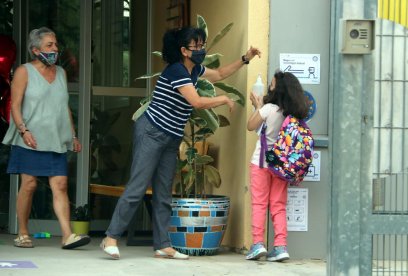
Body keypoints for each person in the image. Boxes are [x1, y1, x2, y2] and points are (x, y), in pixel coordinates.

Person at [100, 27, 261, 260]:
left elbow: (220, 74)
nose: (202, 49)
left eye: (202, 44)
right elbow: (196, 101)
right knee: (137, 186)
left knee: (164, 191)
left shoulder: (194, 70)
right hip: (152, 131)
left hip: (170, 136)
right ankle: (110, 237)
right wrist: (223, 98)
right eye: (197, 46)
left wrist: (246, 58)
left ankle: (162, 245)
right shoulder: (177, 71)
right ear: (184, 50)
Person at [2, 27, 90, 249]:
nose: (55, 49)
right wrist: (24, 131)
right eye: (49, 45)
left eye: (56, 45)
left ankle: (67, 235)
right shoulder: (24, 71)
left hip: (55, 138)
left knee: (60, 185)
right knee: (29, 185)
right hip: (30, 138)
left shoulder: (60, 72)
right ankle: (22, 232)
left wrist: (72, 135)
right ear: (35, 49)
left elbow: (64, 107)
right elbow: (15, 105)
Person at [246, 71, 309, 262]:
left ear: (277, 89)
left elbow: (250, 125)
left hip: (261, 164)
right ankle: (280, 246)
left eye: (271, 84)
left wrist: (258, 107)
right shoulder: (293, 114)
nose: (268, 87)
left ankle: (258, 244)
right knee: (278, 205)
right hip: (282, 167)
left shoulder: (269, 109)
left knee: (259, 204)